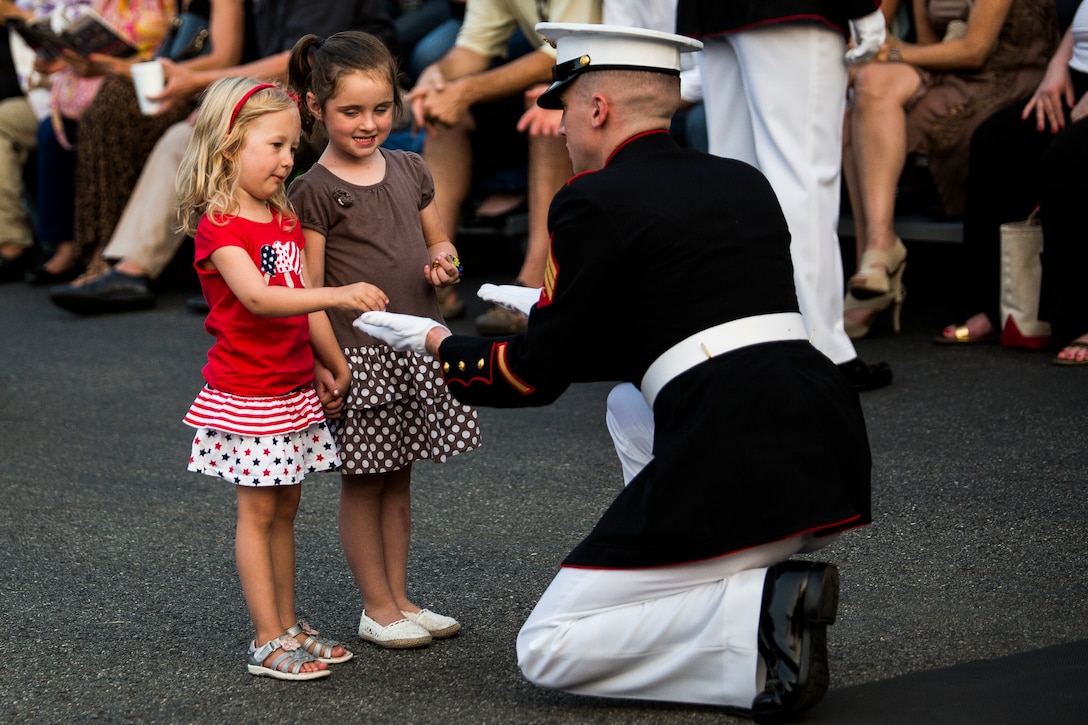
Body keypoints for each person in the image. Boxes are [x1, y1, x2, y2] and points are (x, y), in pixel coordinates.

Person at [357, 23, 871, 721]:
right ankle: (722, 583)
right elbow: (673, 330)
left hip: (736, 455)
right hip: (823, 437)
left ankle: (753, 610)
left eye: (561, 107)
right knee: (629, 401)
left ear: (597, 109)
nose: (558, 126)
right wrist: (551, 312)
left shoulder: (590, 199)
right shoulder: (740, 178)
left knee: (548, 648)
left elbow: (530, 379)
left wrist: (439, 343)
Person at [178, 77, 389, 680]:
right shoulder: (222, 226)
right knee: (258, 513)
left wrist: (331, 360)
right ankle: (267, 639)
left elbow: (300, 301)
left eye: (293, 147)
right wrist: (343, 292)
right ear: (228, 148)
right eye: (274, 146)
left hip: (291, 386)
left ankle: (288, 623)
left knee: (287, 508)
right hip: (248, 394)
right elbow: (261, 299)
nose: (287, 160)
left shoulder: (280, 216)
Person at [286, 30, 480, 649]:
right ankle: (376, 605)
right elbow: (310, 289)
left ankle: (400, 599)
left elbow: (437, 240)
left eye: (380, 108)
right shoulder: (313, 190)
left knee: (400, 478)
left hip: (415, 349)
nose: (369, 124)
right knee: (365, 480)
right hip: (358, 359)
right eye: (350, 112)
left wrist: (444, 263)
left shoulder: (411, 167)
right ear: (316, 108)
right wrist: (327, 362)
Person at [45, 0, 396, 314]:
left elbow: (309, 59)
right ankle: (142, 269)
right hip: (289, 96)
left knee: (232, 137)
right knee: (192, 136)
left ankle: (219, 276)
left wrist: (215, 91)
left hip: (353, 101)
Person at [675, 1, 894, 392]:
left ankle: (743, 345)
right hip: (791, 5)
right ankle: (822, 351)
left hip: (713, 12)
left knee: (735, 180)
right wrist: (862, 5)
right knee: (803, 178)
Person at [840, 0, 1058, 340]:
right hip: (949, 69)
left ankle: (876, 265)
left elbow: (975, 51)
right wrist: (886, 58)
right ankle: (874, 258)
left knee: (869, 104)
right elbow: (930, 47)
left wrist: (893, 54)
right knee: (865, 92)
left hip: (1008, 72)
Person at [404, 0, 601, 334]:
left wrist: (465, 90)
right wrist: (436, 78)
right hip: (570, 73)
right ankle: (439, 275)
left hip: (604, 77)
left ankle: (536, 281)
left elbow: (569, 50)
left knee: (546, 107)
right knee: (445, 113)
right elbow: (472, 49)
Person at [45, 0, 245, 301]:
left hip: (198, 91)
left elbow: (225, 57)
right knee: (106, 105)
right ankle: (102, 252)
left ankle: (110, 257)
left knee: (114, 104)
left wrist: (132, 70)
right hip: (171, 86)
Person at [936, 0, 1080, 346]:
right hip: (1074, 73)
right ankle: (993, 305)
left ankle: (1075, 319)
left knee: (1066, 157)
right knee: (994, 141)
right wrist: (1057, 67)